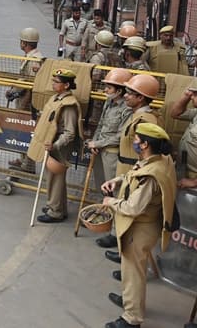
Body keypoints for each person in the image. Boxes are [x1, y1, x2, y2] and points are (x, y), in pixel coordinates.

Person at [101, 122, 177, 328]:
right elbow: (134, 173)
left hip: (140, 228)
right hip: (150, 224)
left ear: (144, 145)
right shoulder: (161, 160)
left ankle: (132, 318)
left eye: (136, 140)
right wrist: (117, 180)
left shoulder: (151, 176)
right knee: (134, 271)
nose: (133, 142)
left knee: (133, 273)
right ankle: (130, 302)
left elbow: (133, 208)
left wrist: (110, 202)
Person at [86, 68, 133, 248]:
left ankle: (114, 232)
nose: (105, 90)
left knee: (113, 192)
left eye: (109, 88)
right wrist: (95, 142)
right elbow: (102, 124)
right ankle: (102, 220)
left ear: (120, 91)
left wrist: (99, 144)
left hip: (113, 154)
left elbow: (121, 136)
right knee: (102, 189)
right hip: (100, 150)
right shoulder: (109, 102)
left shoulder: (126, 109)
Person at [27, 68, 81, 223]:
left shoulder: (69, 105)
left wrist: (55, 145)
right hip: (51, 144)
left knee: (55, 179)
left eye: (57, 82)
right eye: (53, 80)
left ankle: (55, 211)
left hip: (58, 148)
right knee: (55, 178)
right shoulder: (56, 98)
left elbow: (70, 133)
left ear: (66, 85)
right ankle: (58, 208)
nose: (53, 84)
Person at [7, 27, 44, 173]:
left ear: (24, 43)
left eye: (21, 41)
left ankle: (28, 165)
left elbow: (30, 85)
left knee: (26, 133)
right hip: (22, 99)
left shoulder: (34, 60)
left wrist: (19, 98)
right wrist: (13, 90)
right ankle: (22, 160)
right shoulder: (30, 56)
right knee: (21, 131)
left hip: (27, 104)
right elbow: (22, 79)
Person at [169, 79, 197, 190]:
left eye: (195, 94)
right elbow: (175, 113)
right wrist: (186, 96)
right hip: (183, 170)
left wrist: (195, 182)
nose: (192, 97)